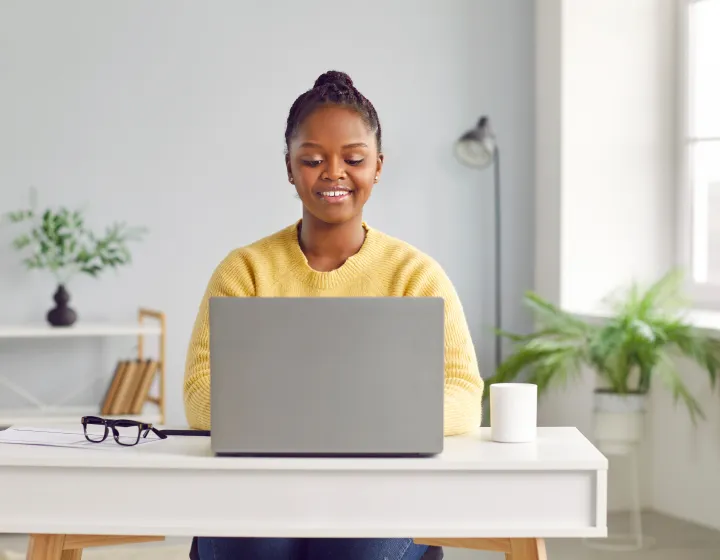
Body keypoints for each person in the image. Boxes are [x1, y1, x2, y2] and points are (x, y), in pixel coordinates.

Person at [183, 70, 484, 560]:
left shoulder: (416, 275)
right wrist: (358, 410)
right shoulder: (245, 271)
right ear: (289, 167)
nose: (333, 173)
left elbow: (464, 393)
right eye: (312, 159)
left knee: (357, 547)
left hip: (381, 495)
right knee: (256, 546)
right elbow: (201, 393)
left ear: (379, 167)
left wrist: (320, 412)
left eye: (354, 158)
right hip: (261, 490)